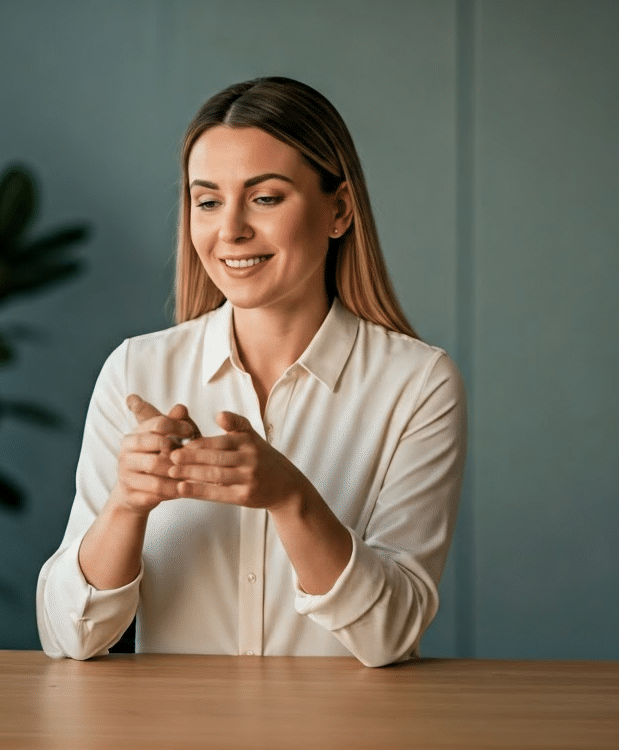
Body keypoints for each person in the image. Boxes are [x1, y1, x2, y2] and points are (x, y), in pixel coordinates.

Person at [36, 76, 466, 667]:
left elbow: (389, 635)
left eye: (265, 198)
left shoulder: (417, 385)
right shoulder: (136, 370)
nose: (230, 229)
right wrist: (126, 506)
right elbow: (68, 638)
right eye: (207, 201)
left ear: (338, 210)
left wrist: (291, 498)